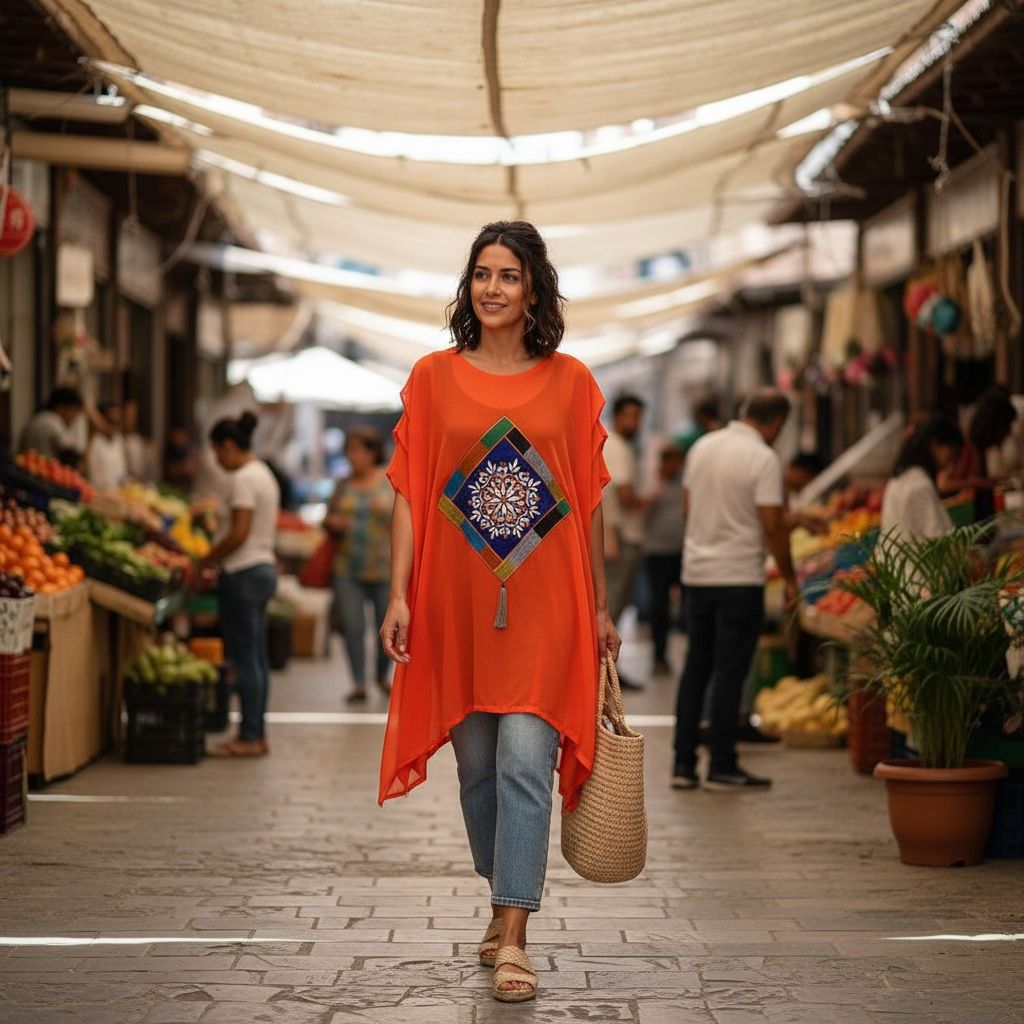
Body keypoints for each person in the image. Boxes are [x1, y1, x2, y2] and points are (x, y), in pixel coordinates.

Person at [378, 221, 616, 1003]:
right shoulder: (432, 377)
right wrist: (398, 591)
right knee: (477, 768)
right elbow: (412, 494)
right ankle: (501, 892)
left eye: (509, 275)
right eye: (482, 273)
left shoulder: (573, 380)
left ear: (534, 288)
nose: (492, 288)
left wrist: (604, 606)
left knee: (523, 761)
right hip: (456, 605)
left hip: (550, 607)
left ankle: (514, 935)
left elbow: (588, 504)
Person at [672, 389, 798, 791]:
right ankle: (723, 764)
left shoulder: (703, 448)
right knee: (729, 671)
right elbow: (773, 525)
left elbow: (688, 510)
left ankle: (683, 765)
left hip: (697, 574)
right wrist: (789, 576)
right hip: (740, 576)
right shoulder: (763, 458)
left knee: (696, 668)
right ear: (776, 422)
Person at [195, 412, 280, 758]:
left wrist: (206, 559)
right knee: (256, 657)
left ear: (229, 446)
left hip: (242, 573)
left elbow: (239, 532)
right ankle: (256, 734)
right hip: (263, 570)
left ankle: (248, 736)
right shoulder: (263, 473)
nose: (217, 461)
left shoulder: (243, 479)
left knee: (245, 658)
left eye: (217, 453)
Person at [325, 427, 394, 703]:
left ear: (372, 452)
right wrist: (331, 522)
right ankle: (358, 683)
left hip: (384, 567)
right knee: (352, 627)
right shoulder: (343, 485)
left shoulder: (389, 480)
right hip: (347, 568)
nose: (351, 456)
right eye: (349, 450)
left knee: (384, 626)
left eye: (357, 450)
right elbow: (328, 516)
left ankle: (380, 674)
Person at [603, 394, 655, 691]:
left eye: (638, 416)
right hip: (622, 539)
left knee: (616, 608)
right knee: (612, 607)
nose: (634, 422)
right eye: (630, 416)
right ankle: (603, 676)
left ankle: (609, 673)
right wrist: (649, 500)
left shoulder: (619, 446)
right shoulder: (618, 447)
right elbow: (623, 495)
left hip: (621, 537)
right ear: (617, 416)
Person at [940, 386, 1018, 521]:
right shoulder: (968, 448)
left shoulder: (978, 449)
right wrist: (979, 483)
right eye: (1006, 427)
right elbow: (945, 484)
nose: (1007, 433)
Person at [882, 418, 963, 540]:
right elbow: (937, 540)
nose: (951, 459)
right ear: (935, 445)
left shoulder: (897, 480)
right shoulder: (921, 485)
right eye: (952, 451)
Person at [644, 444, 686, 676]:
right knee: (659, 605)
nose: (674, 467)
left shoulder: (686, 481)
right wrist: (656, 488)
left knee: (686, 605)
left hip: (681, 550)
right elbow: (640, 508)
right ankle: (659, 656)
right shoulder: (651, 481)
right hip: (657, 551)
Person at [18, 387, 84, 463]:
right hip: (42, 470)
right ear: (61, 407)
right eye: (74, 410)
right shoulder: (53, 420)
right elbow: (71, 452)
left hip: (27, 468)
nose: (74, 417)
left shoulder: (38, 418)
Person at [86, 401, 128, 494]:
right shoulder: (94, 440)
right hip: (99, 494)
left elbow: (122, 472)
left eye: (117, 421)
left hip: (119, 494)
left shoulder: (119, 439)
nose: (114, 425)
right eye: (111, 421)